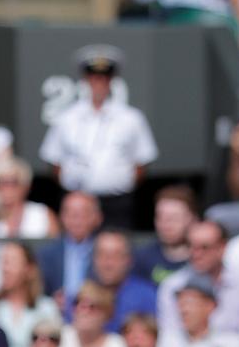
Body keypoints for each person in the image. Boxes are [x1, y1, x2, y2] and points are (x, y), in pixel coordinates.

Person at [39, 45, 157, 228]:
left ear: (112, 80)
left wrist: (120, 182)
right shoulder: (67, 117)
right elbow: (54, 160)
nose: (99, 83)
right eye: (94, 77)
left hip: (116, 202)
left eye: (104, 78)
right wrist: (71, 184)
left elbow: (142, 161)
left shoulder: (131, 118)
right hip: (77, 201)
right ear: (86, 80)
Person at [37, 191, 102, 303]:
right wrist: (51, 302)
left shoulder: (106, 252)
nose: (76, 219)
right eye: (71, 213)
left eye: (83, 213)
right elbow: (37, 293)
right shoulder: (45, 254)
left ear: (97, 217)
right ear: (61, 217)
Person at [132, 185, 196, 286]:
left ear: (193, 218)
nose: (166, 224)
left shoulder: (202, 260)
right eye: (160, 217)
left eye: (174, 218)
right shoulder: (142, 258)